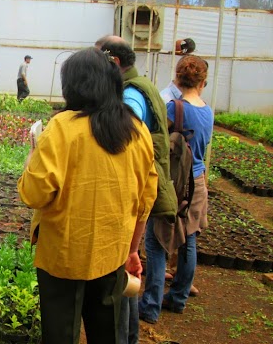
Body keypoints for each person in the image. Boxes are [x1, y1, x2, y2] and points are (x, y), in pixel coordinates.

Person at [17, 47, 158, 344]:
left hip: (63, 255)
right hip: (113, 252)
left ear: (73, 86)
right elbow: (146, 200)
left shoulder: (62, 128)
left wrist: (32, 155)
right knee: (107, 330)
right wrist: (132, 250)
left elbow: (34, 194)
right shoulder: (137, 129)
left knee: (60, 333)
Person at [99, 36, 178, 338]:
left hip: (135, 190)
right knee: (132, 262)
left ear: (114, 63)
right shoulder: (144, 85)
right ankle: (133, 327)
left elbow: (124, 146)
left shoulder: (130, 96)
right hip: (145, 185)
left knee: (125, 264)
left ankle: (130, 329)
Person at [161, 55, 213, 315]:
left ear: (178, 79)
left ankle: (156, 298)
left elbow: (159, 145)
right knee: (189, 238)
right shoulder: (207, 110)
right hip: (198, 180)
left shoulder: (174, 108)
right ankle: (179, 296)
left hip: (177, 182)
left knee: (158, 237)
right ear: (202, 82)